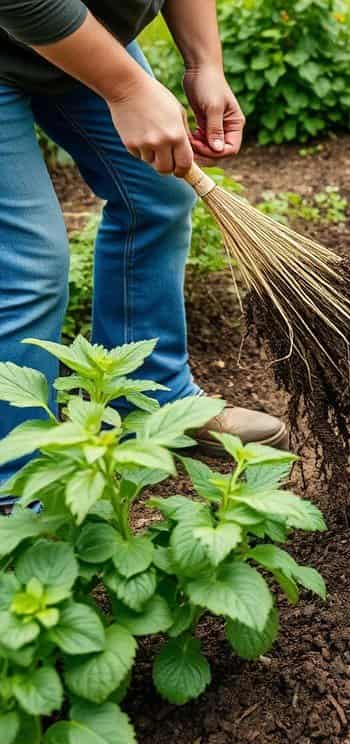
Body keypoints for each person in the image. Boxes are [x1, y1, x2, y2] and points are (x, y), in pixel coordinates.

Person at [0, 0, 288, 506]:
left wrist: (205, 63)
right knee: (29, 264)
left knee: (156, 193)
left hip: (79, 31)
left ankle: (154, 396)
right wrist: (127, 88)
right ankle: (16, 489)